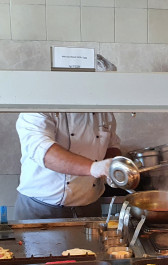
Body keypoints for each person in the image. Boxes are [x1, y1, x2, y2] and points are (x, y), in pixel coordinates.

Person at [15, 55, 122, 219]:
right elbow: (44, 152)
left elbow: (111, 145)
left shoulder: (103, 111)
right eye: (97, 86)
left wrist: (115, 167)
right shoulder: (39, 105)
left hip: (89, 206)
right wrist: (93, 168)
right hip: (41, 207)